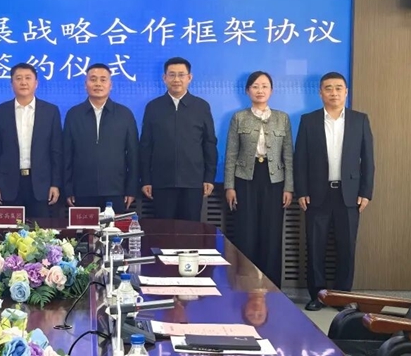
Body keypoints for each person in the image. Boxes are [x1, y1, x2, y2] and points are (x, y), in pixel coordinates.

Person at [294, 72, 374, 311]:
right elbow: (300, 159)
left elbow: (368, 159)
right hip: (317, 194)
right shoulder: (308, 121)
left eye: (339, 88)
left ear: (346, 92)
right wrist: (301, 190)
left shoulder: (360, 120)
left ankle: (342, 297)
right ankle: (318, 296)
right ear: (320, 93)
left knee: (346, 247)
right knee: (315, 246)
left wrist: (366, 191)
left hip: (349, 195)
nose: (334, 92)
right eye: (328, 88)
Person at [224, 71, 293, 288]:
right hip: (245, 179)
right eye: (255, 86)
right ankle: (246, 285)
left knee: (272, 234)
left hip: (274, 180)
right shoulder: (238, 117)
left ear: (271, 90)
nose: (260, 90)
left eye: (264, 86)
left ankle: (272, 287)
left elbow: (288, 155)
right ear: (247, 91)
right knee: (246, 232)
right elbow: (231, 154)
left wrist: (289, 187)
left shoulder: (282, 118)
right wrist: (229, 186)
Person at [140, 57, 218, 220]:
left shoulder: (201, 106)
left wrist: (209, 177)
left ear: (189, 77)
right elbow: (146, 145)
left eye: (181, 75)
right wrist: (146, 179)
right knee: (163, 229)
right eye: (172, 75)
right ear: (164, 78)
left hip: (193, 182)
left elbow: (209, 143)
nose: (176, 79)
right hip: (162, 182)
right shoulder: (153, 107)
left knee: (190, 229)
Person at [0, 63, 62, 218]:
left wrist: (55, 184)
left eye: (28, 78)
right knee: (10, 231)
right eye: (18, 78)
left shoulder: (50, 111)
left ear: (36, 83)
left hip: (41, 185)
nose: (23, 82)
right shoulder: (0, 112)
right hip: (9, 185)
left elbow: (56, 151)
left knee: (41, 230)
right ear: (11, 83)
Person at [63, 64, 138, 213]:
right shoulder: (74, 114)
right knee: (85, 228)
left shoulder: (124, 114)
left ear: (110, 85)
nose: (98, 84)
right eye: (93, 79)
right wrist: (68, 188)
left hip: (116, 190)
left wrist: (131, 189)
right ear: (85, 84)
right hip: (82, 191)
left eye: (103, 80)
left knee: (114, 228)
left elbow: (133, 155)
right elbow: (67, 154)